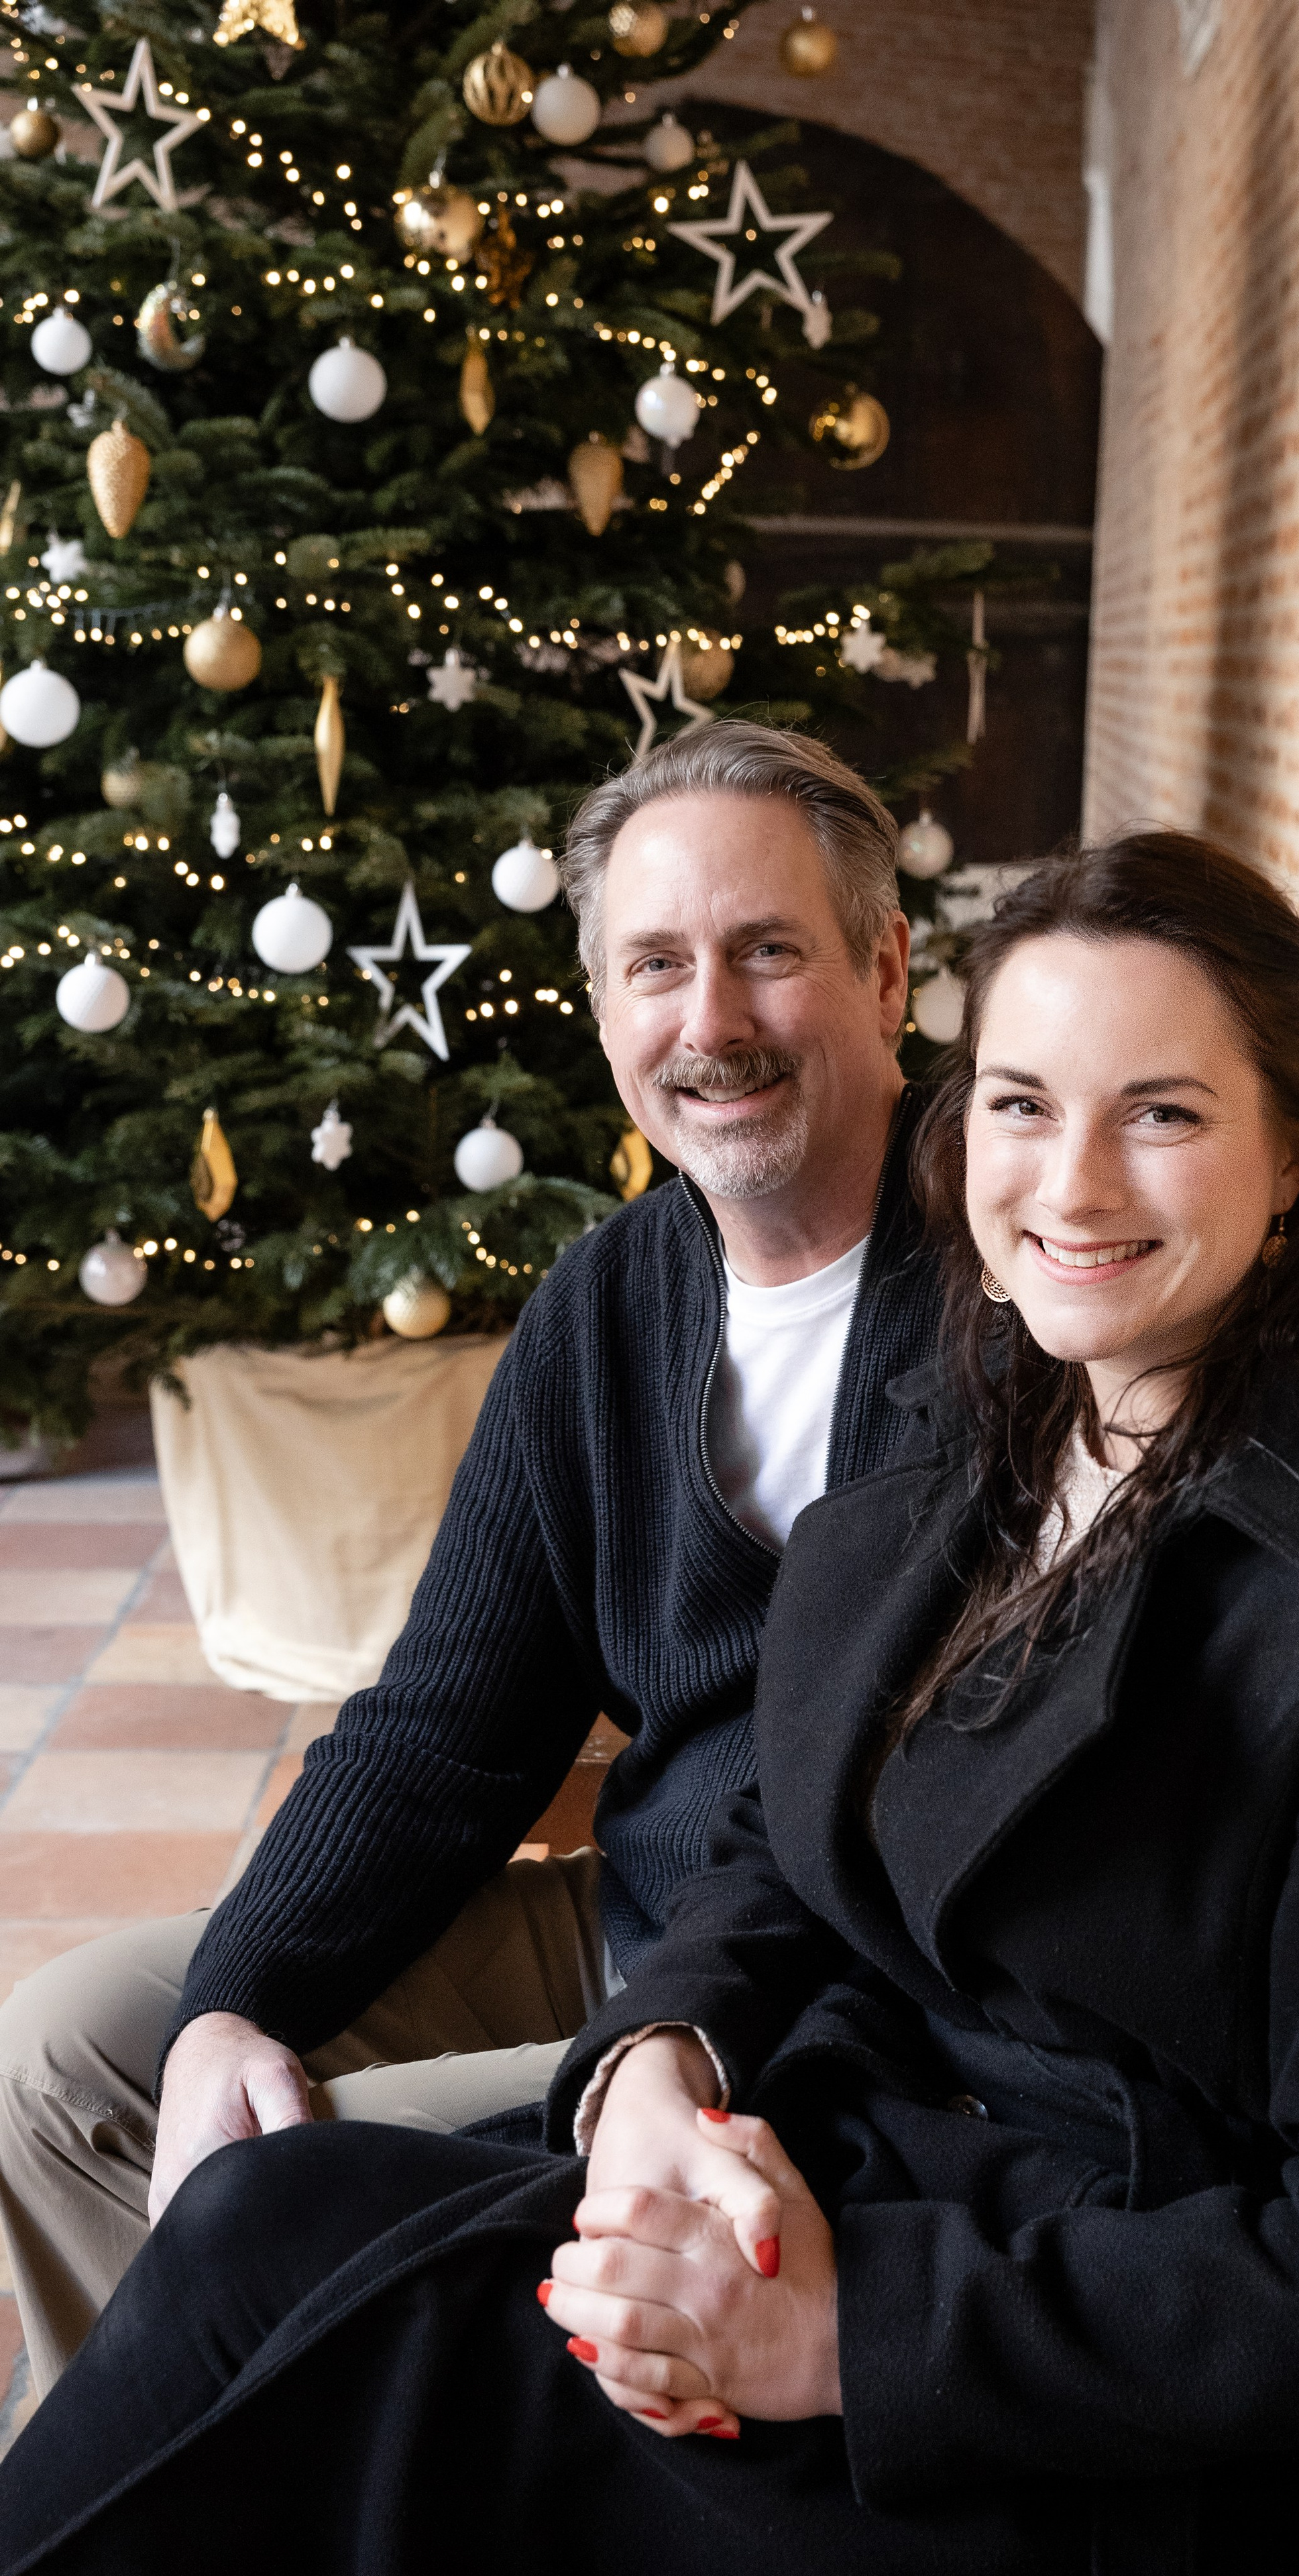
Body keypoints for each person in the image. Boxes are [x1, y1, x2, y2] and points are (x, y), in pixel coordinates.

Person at [0, 833, 1299, 2575]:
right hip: (835, 2159)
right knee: (274, 2217)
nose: (1070, 1180)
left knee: (360, 2365)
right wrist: (653, 2062)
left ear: (1292, 1150)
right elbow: (788, 1808)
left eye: (1161, 1113)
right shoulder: (1013, 1403)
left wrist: (846, 2336)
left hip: (1056, 2406)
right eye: (1022, 1104)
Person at [0, 720, 941, 2393]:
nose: (707, 1022)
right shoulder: (608, 1303)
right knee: (65, 2059)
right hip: (632, 1914)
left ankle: (254, 2461)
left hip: (827, 1995)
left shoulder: (1021, 1271)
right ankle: (189, 2469)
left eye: (766, 954)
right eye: (654, 965)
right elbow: (447, 1721)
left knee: (281, 2191)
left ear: (885, 973)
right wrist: (242, 1995)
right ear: (600, 1015)